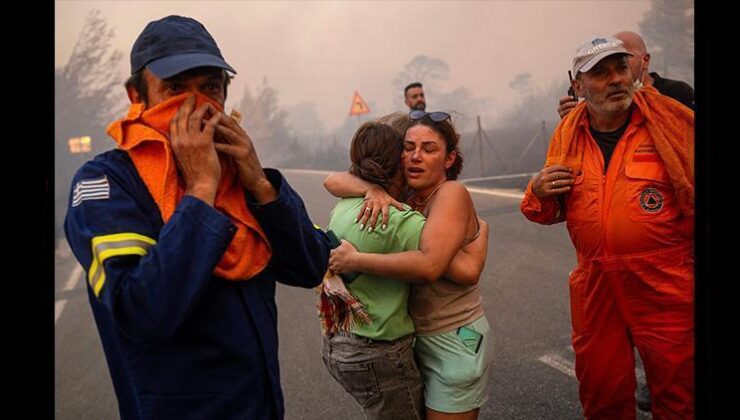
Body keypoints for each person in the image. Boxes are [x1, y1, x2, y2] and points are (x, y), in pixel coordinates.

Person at [64, 15, 331, 419]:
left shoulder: (239, 174)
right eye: (174, 89)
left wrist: (260, 183)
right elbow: (144, 312)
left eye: (210, 87)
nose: (196, 105)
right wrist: (201, 189)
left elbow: (310, 265)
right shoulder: (106, 182)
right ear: (137, 94)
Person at [521, 36, 694, 419]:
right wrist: (537, 189)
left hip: (665, 284)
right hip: (596, 286)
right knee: (602, 394)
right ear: (577, 84)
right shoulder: (568, 135)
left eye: (619, 68)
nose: (615, 79)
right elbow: (546, 211)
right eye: (599, 73)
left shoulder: (670, 123)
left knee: (680, 396)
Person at [327, 110, 493, 420]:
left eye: (429, 149)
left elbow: (446, 268)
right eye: (408, 148)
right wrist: (370, 189)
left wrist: (357, 260)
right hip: (417, 341)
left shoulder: (451, 194)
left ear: (449, 158)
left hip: (454, 338)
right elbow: (333, 180)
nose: (415, 157)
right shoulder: (406, 196)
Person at [557, 30, 695, 119]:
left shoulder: (678, 93)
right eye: (600, 72)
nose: (615, 79)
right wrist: (574, 119)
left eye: (622, 64)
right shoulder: (603, 109)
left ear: (645, 60)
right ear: (577, 87)